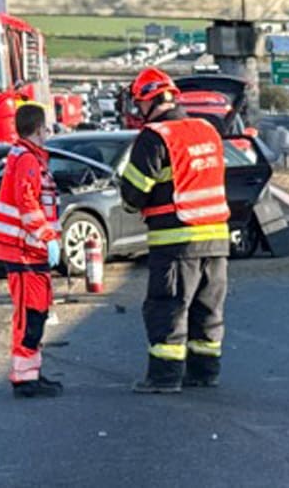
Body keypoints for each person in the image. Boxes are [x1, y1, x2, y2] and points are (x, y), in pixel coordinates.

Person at [120, 67, 231, 394]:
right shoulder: (207, 130)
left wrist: (131, 199)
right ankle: (205, 372)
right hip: (217, 239)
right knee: (207, 310)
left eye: (139, 103)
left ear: (148, 101)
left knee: (167, 307)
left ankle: (164, 377)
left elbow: (133, 194)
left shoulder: (155, 136)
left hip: (176, 241)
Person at [0, 102, 63, 398]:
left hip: (30, 251)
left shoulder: (27, 157)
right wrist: (47, 236)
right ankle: (24, 379)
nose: (48, 133)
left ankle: (30, 373)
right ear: (39, 129)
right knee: (29, 317)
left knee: (36, 314)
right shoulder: (28, 159)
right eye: (46, 128)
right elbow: (28, 202)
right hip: (23, 250)